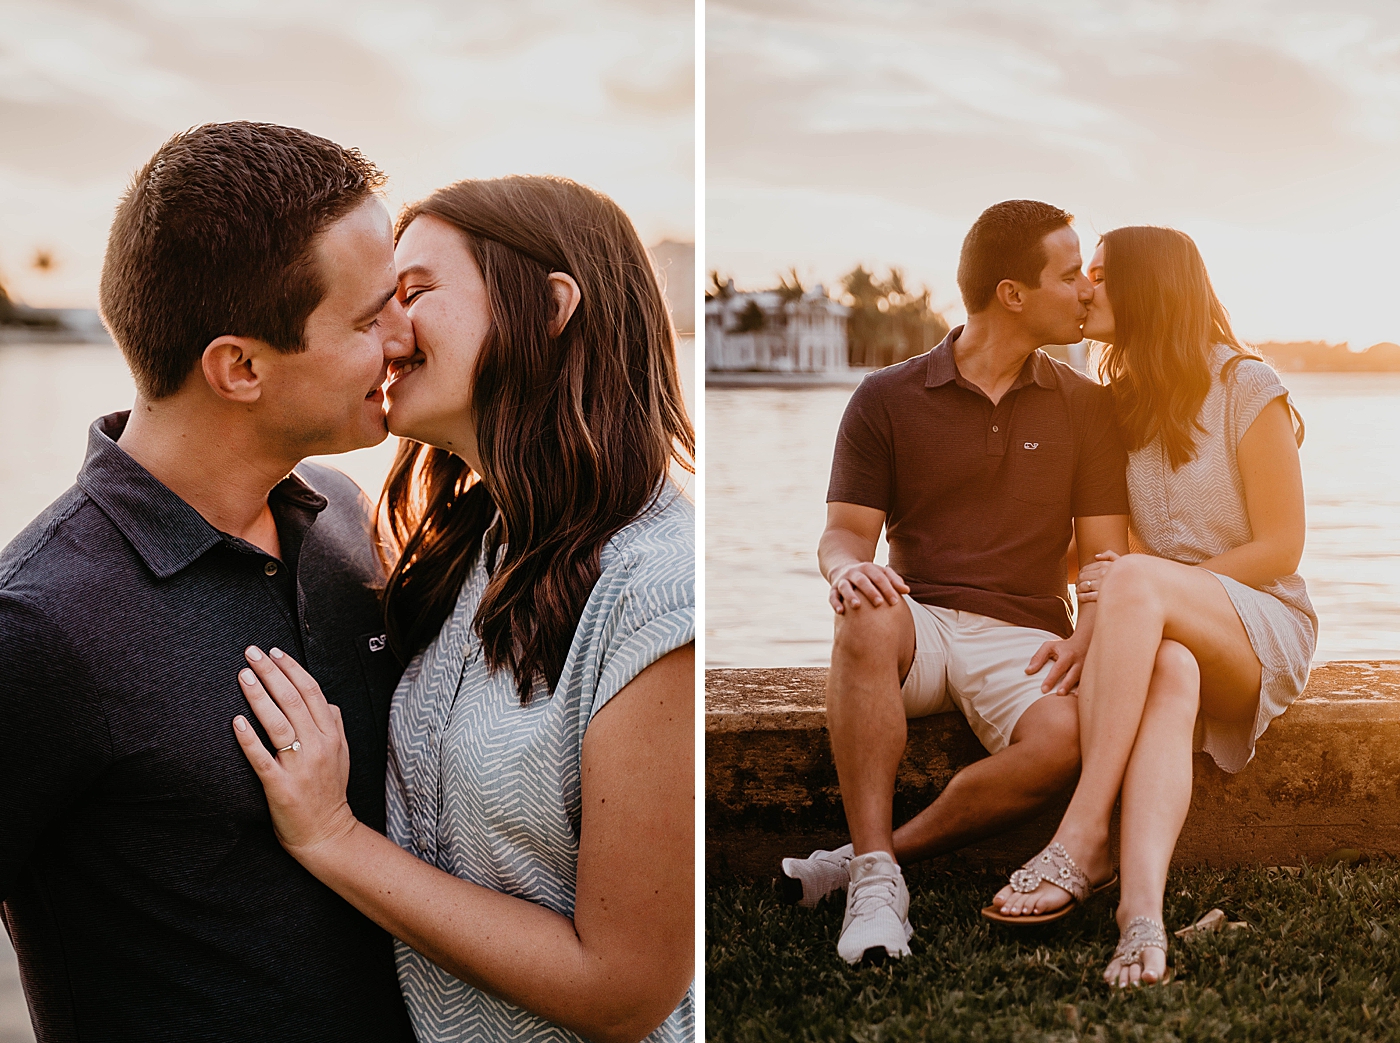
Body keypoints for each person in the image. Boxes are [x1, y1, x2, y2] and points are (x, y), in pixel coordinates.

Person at [231, 175, 695, 1042]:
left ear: (552, 306)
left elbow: (626, 988)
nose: (385, 328)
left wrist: (334, 837)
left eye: (415, 293)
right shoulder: (477, 541)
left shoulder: (659, 589)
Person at [0, 123, 417, 1040]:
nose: (404, 334)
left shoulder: (343, 515)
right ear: (240, 367)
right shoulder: (38, 622)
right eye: (366, 317)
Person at [780, 199, 1131, 965]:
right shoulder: (886, 398)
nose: (1085, 290)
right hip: (922, 621)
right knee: (866, 612)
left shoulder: (1087, 406)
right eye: (1070, 275)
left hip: (1029, 634)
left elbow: (1105, 555)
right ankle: (876, 888)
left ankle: (868, 862)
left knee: (1069, 735)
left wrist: (1087, 635)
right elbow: (844, 533)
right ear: (1013, 292)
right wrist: (848, 570)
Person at [987, 226, 1316, 989]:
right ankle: (1140, 917)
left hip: (1260, 624)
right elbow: (1101, 554)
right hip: (1164, 628)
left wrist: (1151, 586)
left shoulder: (1248, 385)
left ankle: (1079, 834)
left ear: (1150, 288)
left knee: (1136, 578)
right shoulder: (1118, 405)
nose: (1084, 288)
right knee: (1165, 666)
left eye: (1100, 274)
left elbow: (1281, 547)